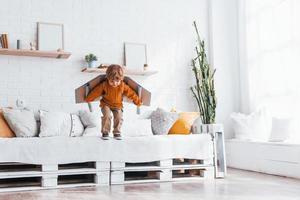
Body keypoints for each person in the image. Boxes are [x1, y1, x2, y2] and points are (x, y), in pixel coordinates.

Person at [85, 64, 142, 140]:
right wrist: (88, 98)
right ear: (108, 78)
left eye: (117, 81)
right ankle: (105, 132)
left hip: (118, 105)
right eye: (112, 81)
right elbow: (96, 92)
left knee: (118, 116)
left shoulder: (122, 85)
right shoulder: (104, 85)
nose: (115, 83)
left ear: (121, 79)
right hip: (106, 104)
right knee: (107, 116)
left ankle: (117, 132)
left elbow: (131, 93)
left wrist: (137, 101)